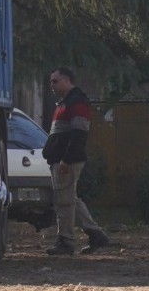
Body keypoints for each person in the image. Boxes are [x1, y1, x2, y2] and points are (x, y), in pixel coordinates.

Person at [43, 66, 110, 256]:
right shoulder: (65, 102)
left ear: (66, 80)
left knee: (63, 202)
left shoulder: (76, 102)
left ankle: (66, 242)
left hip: (67, 162)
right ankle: (96, 234)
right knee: (70, 200)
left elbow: (79, 134)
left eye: (55, 81)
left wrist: (66, 159)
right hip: (62, 160)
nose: (52, 85)